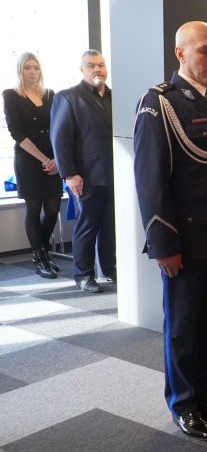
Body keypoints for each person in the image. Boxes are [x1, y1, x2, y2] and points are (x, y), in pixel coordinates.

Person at [133, 21, 207, 441]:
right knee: (182, 328)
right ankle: (183, 403)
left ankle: (205, 395)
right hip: (185, 240)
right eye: (204, 51)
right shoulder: (159, 103)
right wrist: (163, 243)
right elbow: (150, 180)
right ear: (180, 54)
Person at [50, 50, 115, 293]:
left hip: (114, 174)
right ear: (82, 70)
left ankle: (109, 268)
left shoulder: (113, 97)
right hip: (85, 176)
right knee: (87, 227)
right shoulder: (68, 97)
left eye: (101, 65)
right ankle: (83, 274)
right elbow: (60, 139)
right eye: (91, 65)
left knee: (110, 226)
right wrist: (69, 174)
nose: (97, 69)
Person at [3, 53, 63, 279]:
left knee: (53, 208)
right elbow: (16, 132)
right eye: (27, 67)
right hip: (29, 159)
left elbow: (59, 128)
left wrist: (57, 159)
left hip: (53, 159)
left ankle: (43, 250)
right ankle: (40, 258)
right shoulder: (11, 95)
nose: (32, 72)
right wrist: (44, 159)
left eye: (35, 67)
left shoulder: (50, 95)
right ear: (20, 70)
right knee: (34, 207)